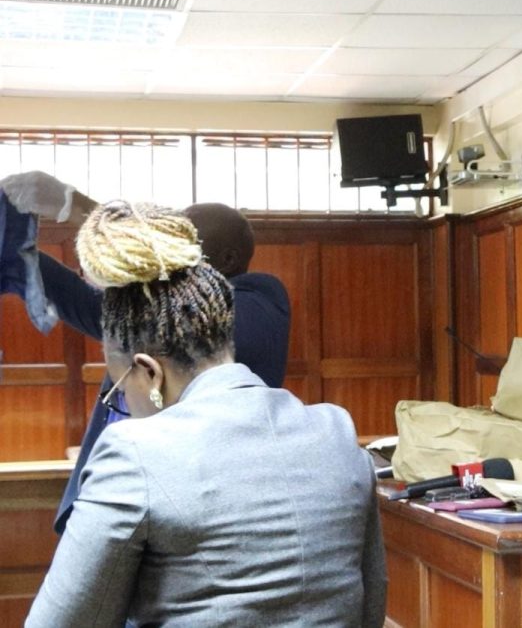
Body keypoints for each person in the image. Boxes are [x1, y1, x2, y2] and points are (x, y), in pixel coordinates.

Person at [24, 200, 386, 627]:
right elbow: (371, 607)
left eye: (119, 391)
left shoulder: (134, 454)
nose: (122, 404)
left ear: (149, 374)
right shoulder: (337, 433)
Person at [0, 170, 290, 534]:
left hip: (183, 514)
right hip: (107, 500)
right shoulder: (151, 307)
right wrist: (17, 253)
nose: (168, 242)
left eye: (183, 235)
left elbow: (188, 323)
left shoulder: (260, 298)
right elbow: (88, 304)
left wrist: (90, 213)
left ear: (228, 259)